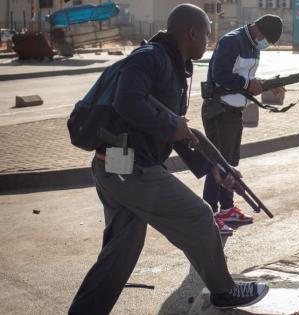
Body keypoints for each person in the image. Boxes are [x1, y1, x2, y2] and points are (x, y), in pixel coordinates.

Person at [68, 5, 268, 314]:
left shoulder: (173, 65)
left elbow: (177, 130)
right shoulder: (150, 57)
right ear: (191, 32)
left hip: (119, 166)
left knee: (120, 253)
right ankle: (224, 291)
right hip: (128, 167)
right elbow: (128, 101)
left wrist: (213, 168)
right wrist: (170, 126)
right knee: (199, 217)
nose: (209, 40)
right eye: (207, 33)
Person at [201, 15, 284, 235]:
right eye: (266, 39)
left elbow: (247, 78)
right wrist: (250, 84)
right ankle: (209, 215)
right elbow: (220, 76)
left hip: (234, 110)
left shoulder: (253, 45)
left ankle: (227, 209)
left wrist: (267, 85)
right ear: (259, 31)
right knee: (217, 166)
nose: (265, 45)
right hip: (219, 110)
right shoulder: (232, 41)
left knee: (228, 165)